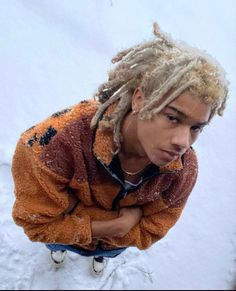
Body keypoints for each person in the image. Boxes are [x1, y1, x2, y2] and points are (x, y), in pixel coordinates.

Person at [11, 22, 229, 275]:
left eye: (196, 128)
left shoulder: (182, 169)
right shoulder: (52, 144)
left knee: (104, 250)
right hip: (67, 237)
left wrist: (78, 214)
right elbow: (37, 224)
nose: (183, 142)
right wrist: (118, 225)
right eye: (172, 117)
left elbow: (151, 230)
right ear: (139, 99)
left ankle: (101, 255)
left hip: (112, 246)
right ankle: (59, 251)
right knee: (57, 243)